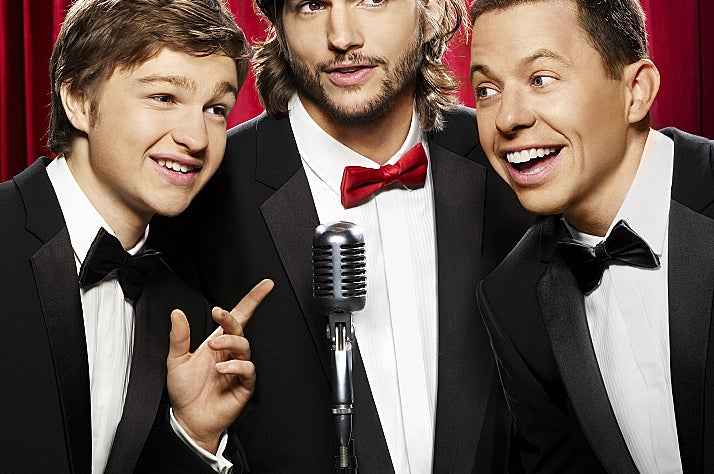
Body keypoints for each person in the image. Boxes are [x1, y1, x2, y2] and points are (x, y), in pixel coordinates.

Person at [150, 0, 533, 472]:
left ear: (431, 9)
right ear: (277, 22)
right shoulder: (197, 191)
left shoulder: (515, 161)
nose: (342, 36)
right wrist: (195, 438)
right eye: (311, 5)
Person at [0, 0, 273, 472]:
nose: (197, 138)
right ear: (78, 100)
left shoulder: (187, 314)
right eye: (164, 97)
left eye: (216, 109)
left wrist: (194, 435)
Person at [470, 0, 714, 472]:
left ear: (635, 91)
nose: (507, 119)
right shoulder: (511, 297)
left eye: (541, 79)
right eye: (487, 90)